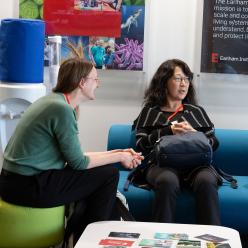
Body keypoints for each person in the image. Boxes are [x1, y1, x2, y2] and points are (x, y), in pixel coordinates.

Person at [0, 58, 143, 243]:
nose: (98, 84)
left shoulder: (55, 102)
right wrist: (118, 156)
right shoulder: (61, 109)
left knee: (103, 174)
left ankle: (85, 237)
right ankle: (89, 241)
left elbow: (76, 156)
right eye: (95, 79)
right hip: (27, 186)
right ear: (82, 82)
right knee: (109, 175)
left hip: (17, 182)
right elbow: (79, 163)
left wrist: (119, 152)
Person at [132, 59, 221, 225]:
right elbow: (140, 144)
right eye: (179, 79)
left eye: (187, 79)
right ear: (164, 81)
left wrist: (196, 133)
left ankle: (211, 236)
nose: (184, 84)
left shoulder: (196, 111)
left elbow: (214, 144)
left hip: (197, 165)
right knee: (168, 180)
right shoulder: (150, 111)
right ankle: (160, 239)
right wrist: (168, 131)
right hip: (160, 165)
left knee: (207, 181)